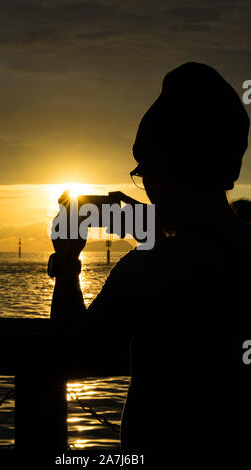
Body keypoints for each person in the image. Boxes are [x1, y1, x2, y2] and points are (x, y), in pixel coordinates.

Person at [50, 62, 251, 449]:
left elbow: (74, 353)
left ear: (165, 171)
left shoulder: (148, 270)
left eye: (145, 172)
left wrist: (68, 261)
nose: (147, 187)